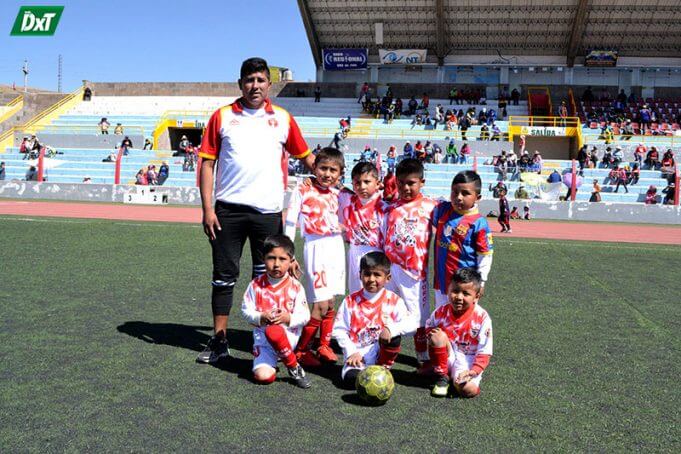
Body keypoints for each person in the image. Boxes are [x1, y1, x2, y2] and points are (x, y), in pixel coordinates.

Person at [196, 57, 314, 364]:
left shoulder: (283, 118)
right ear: (240, 84)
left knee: (269, 277)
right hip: (228, 211)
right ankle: (219, 339)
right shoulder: (222, 117)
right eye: (249, 80)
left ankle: (265, 339)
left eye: (260, 80)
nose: (255, 86)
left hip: (267, 213)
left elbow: (307, 157)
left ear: (269, 84)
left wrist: (335, 178)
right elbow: (207, 163)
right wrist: (208, 209)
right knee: (223, 276)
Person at [285, 148, 345, 366]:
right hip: (316, 248)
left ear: (340, 173)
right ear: (314, 168)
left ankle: (324, 345)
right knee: (319, 305)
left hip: (336, 248)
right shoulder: (303, 189)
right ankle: (301, 350)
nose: (327, 174)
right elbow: (291, 221)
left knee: (330, 302)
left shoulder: (340, 194)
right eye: (323, 168)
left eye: (333, 170)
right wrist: (288, 254)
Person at [332, 251, 418, 389]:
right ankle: (361, 372)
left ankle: (383, 369)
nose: (371, 279)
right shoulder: (350, 301)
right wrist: (351, 351)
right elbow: (339, 330)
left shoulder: (394, 300)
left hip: (379, 354)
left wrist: (391, 329)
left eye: (377, 275)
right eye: (367, 274)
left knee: (393, 337)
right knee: (351, 380)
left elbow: (412, 325)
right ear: (360, 275)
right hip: (357, 357)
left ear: (388, 278)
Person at [382, 158, 439, 366]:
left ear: (422, 182)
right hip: (389, 269)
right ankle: (385, 353)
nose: (406, 188)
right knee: (387, 312)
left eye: (411, 183)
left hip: (414, 273)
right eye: (401, 183)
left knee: (419, 319)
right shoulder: (390, 208)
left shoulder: (431, 207)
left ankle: (422, 356)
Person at [239, 234, 312, 387]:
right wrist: (260, 317)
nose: (276, 264)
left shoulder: (296, 287)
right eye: (271, 258)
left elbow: (305, 316)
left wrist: (288, 318)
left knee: (275, 331)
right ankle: (283, 363)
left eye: (282, 259)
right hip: (264, 343)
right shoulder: (256, 285)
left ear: (291, 261)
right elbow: (245, 311)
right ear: (263, 258)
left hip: (288, 337)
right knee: (263, 377)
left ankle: (293, 366)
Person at [432, 169, 493, 310]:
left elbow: (485, 256)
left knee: (462, 323)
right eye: (455, 192)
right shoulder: (442, 210)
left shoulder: (479, 223)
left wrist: (481, 282)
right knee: (442, 318)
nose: (459, 197)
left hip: (464, 288)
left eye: (465, 193)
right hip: (441, 282)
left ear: (477, 197)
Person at [426, 268, 493, 398]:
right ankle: (442, 376)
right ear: (448, 290)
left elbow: (485, 352)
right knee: (437, 336)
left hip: (467, 362)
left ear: (476, 296)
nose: (459, 297)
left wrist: (472, 372)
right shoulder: (441, 312)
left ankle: (454, 379)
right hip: (448, 354)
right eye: (455, 291)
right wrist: (432, 334)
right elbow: (429, 327)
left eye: (466, 293)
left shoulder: (482, 318)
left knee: (468, 390)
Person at [338, 162, 386, 294]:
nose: (362, 186)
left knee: (375, 294)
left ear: (377, 183)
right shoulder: (349, 200)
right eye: (357, 183)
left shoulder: (384, 207)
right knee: (356, 294)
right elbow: (330, 184)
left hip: (376, 254)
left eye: (367, 181)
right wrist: (311, 179)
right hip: (354, 252)